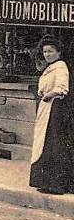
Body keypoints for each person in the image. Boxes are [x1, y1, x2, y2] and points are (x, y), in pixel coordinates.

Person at [30, 35, 74, 194]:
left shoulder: (60, 67)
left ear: (59, 53)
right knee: (46, 144)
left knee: (55, 144)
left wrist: (49, 94)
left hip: (56, 109)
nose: (47, 54)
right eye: (45, 52)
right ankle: (47, 182)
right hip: (47, 109)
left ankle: (58, 184)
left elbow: (63, 88)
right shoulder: (50, 68)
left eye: (50, 51)